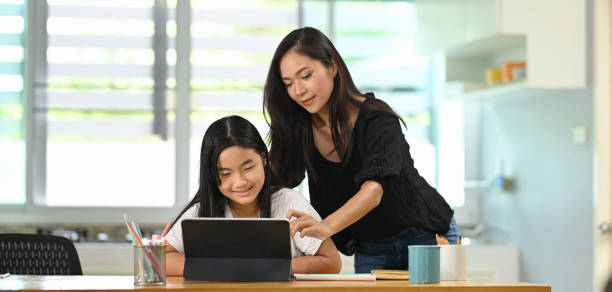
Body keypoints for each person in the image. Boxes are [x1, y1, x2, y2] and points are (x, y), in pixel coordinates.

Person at [263, 27, 460, 273]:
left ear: (332, 67)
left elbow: (374, 191)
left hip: (425, 236)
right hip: (372, 247)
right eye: (288, 83)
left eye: (306, 76)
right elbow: (271, 182)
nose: (298, 90)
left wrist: (325, 226)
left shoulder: (377, 118)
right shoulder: (298, 130)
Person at [164, 115, 341, 276]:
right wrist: (223, 267)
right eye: (225, 174)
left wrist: (265, 266)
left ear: (264, 159)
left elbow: (332, 262)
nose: (240, 182)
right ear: (211, 175)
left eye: (248, 168)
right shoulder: (202, 211)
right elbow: (160, 259)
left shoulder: (290, 203)